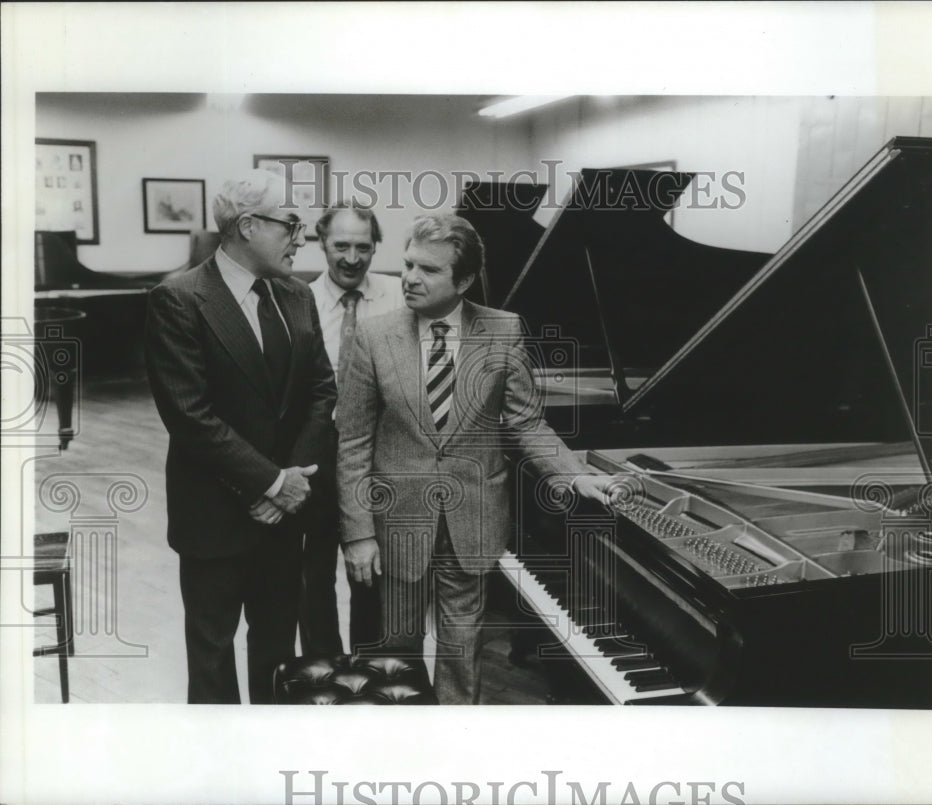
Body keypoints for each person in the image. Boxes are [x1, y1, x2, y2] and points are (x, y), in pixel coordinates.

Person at [336, 213, 616, 703]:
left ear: (463, 280)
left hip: (474, 519)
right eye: (407, 264)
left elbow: (527, 421)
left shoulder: (503, 331)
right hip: (398, 521)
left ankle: (457, 745)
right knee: (398, 648)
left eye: (428, 270)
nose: (410, 278)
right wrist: (358, 533)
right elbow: (354, 442)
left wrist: (574, 476)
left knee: (462, 649)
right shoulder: (373, 335)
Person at [145, 169, 336, 704]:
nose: (302, 237)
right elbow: (191, 417)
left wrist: (290, 486)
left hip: (283, 518)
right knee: (211, 662)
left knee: (278, 656)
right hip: (215, 517)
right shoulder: (178, 299)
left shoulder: (296, 296)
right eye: (291, 224)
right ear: (249, 226)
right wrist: (273, 483)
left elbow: (323, 394)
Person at [300, 202, 403, 657]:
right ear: (321, 242)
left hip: (376, 462)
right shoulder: (295, 300)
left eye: (363, 247)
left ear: (375, 247)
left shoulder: (400, 297)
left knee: (372, 576)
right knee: (312, 577)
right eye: (341, 245)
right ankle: (325, 674)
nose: (351, 258)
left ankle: (369, 678)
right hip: (316, 459)